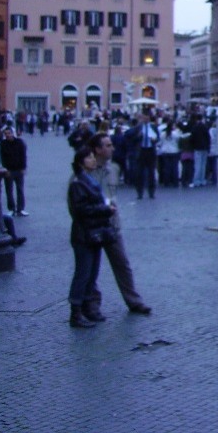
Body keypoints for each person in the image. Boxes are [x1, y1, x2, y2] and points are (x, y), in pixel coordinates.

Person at [88, 133, 153, 317]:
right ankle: (93, 304)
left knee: (122, 264)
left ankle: (134, 300)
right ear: (98, 149)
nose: (113, 148)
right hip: (93, 224)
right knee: (92, 267)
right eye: (108, 145)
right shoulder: (86, 171)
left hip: (112, 223)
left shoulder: (114, 169)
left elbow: (112, 193)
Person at [66, 144, 117, 328]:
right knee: (83, 273)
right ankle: (76, 312)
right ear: (81, 163)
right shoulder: (78, 183)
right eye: (89, 157)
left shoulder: (87, 179)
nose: (93, 160)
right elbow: (81, 209)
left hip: (94, 233)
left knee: (92, 273)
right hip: (84, 234)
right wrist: (105, 209)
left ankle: (87, 308)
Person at [0, 126, 29, 216]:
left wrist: (23, 168)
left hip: (19, 169)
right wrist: (4, 169)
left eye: (9, 133)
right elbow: (2, 158)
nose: (8, 135)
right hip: (8, 170)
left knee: (20, 190)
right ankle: (11, 208)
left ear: (12, 133)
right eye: (6, 134)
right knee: (9, 190)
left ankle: (20, 209)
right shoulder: (3, 144)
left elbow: (23, 156)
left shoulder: (19, 143)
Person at [188, 114, 211, 187]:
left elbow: (192, 138)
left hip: (197, 147)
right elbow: (208, 137)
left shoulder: (195, 127)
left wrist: (192, 146)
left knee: (197, 165)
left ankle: (196, 181)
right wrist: (208, 147)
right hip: (205, 148)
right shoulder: (205, 127)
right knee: (203, 165)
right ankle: (202, 180)